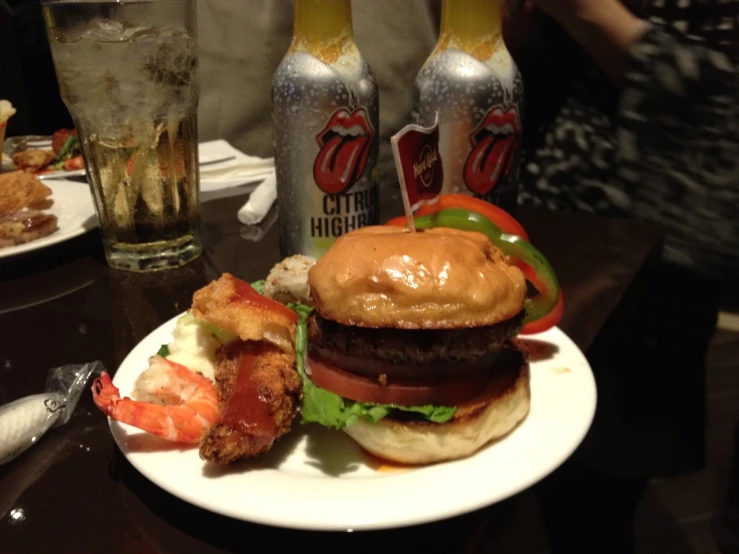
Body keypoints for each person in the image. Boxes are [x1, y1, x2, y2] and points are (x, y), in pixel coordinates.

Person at [506, 0, 738, 552]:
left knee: (591, 509)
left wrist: (592, 13)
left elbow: (722, 108)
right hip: (525, 236)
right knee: (512, 479)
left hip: (641, 272)